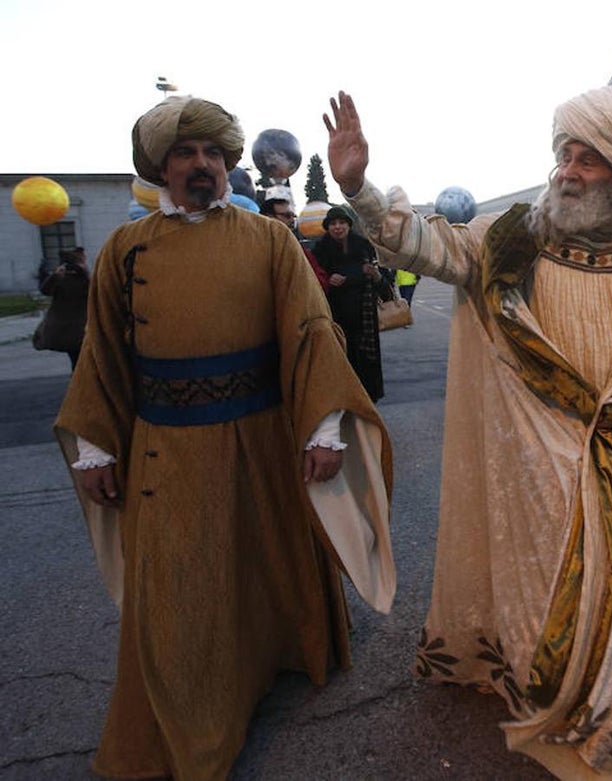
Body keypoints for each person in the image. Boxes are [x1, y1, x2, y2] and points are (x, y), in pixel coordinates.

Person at [323, 64, 612, 777]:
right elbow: (429, 246)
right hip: (530, 462)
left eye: (587, 158)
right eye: (564, 152)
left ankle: (603, 709)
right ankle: (542, 687)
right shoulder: (510, 239)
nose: (566, 170)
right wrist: (357, 189)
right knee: (538, 589)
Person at [54, 95, 397, 780]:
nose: (202, 164)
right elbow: (102, 355)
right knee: (180, 592)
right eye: (186, 153)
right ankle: (192, 734)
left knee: (264, 566)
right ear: (160, 166)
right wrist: (95, 445)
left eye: (213, 153)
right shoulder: (126, 247)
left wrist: (324, 428)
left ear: (228, 163)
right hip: (167, 448)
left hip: (263, 440)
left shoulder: (269, 240)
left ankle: (277, 659)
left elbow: (309, 333)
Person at [312, 204, 387, 401]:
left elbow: (384, 283)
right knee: (341, 360)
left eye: (342, 222)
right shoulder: (319, 250)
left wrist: (375, 274)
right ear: (327, 227)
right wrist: (328, 279)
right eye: (333, 223)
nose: (338, 227)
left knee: (365, 364)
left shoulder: (363, 246)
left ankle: (368, 400)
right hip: (335, 317)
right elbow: (312, 280)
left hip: (364, 318)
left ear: (349, 225)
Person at [34, 247, 90, 369]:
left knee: (77, 360)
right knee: (80, 360)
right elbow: (93, 290)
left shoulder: (60, 279)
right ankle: (80, 383)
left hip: (66, 329)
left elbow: (45, 290)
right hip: (79, 329)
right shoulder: (81, 280)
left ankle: (79, 381)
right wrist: (83, 273)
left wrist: (54, 276)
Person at [260, 196, 330, 290]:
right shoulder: (255, 249)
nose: (292, 220)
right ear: (269, 217)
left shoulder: (297, 248)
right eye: (287, 216)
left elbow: (320, 279)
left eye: (293, 216)